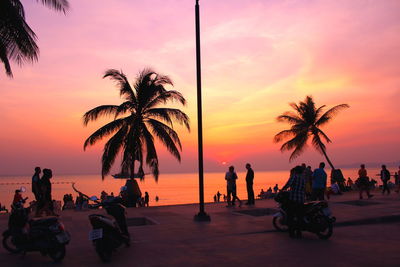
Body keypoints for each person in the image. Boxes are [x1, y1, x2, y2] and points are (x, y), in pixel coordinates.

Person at [282, 166, 306, 238]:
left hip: (293, 199)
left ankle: (292, 233)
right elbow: (303, 188)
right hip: (301, 199)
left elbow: (288, 184)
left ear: (295, 171)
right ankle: (299, 233)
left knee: (291, 216)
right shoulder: (303, 178)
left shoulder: (294, 176)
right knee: (299, 216)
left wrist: (282, 189)